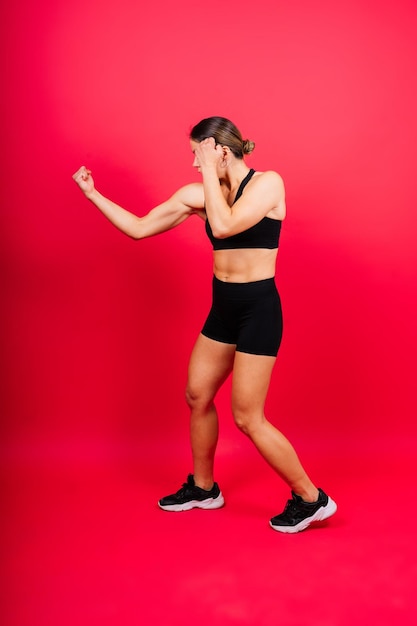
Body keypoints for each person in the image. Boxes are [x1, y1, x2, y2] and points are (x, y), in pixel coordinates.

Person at [73, 116, 337, 533]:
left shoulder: (269, 183)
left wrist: (214, 170)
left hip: (258, 309)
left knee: (248, 417)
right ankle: (203, 488)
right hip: (223, 309)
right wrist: (93, 196)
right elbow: (140, 229)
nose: (194, 166)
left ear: (221, 151)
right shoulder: (199, 195)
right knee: (197, 394)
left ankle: (311, 497)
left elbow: (228, 224)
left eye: (198, 154)